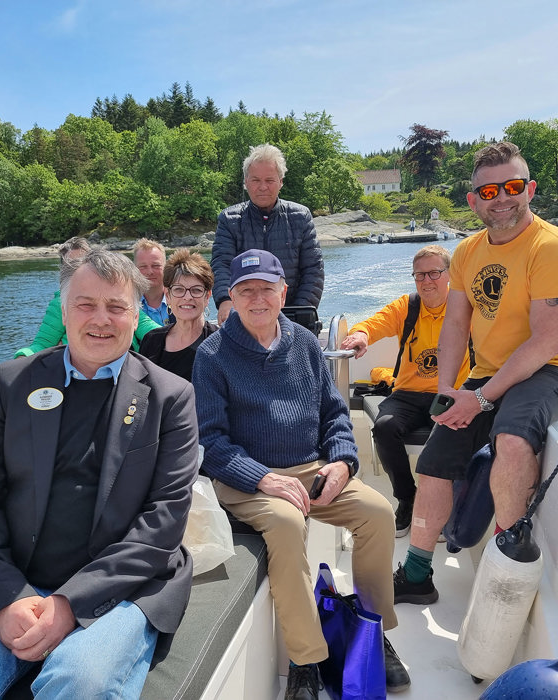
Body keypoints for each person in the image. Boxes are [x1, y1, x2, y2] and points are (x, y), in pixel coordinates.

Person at [0, 248, 199, 699]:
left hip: (122, 588)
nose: (100, 319)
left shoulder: (170, 397)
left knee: (78, 681)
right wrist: (9, 596)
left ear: (136, 315)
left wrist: (70, 602)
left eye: (116, 307)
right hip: (15, 579)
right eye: (85, 304)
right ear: (63, 312)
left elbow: (164, 521)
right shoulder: (10, 384)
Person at [193, 249, 410, 698]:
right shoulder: (212, 355)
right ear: (231, 296)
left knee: (378, 513)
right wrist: (263, 478)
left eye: (266, 289)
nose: (257, 299)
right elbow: (210, 441)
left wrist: (343, 461)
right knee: (289, 524)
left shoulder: (305, 343)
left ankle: (372, 631)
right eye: (246, 290)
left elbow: (334, 413)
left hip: (312, 468)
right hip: (247, 479)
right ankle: (305, 660)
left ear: (283, 292)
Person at [394, 142, 558, 605]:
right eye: (488, 190)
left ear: (530, 189)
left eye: (512, 186)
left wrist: (481, 400)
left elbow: (546, 342)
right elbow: (456, 325)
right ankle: (417, 574)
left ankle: (505, 572)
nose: (501, 197)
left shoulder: (556, 248)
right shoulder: (466, 252)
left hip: (551, 369)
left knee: (513, 439)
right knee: (435, 460)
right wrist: (449, 390)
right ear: (473, 200)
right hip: (487, 370)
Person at [340, 245, 471, 537]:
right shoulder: (407, 307)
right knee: (384, 427)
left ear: (449, 274)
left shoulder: (466, 307)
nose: (426, 281)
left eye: (434, 273)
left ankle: (445, 506)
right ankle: (407, 498)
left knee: (454, 431)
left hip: (450, 393)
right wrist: (361, 334)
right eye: (419, 275)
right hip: (408, 394)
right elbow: (375, 323)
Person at [212, 143, 324, 325]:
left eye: (269, 180)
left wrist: (300, 312)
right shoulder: (229, 219)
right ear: (246, 182)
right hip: (243, 315)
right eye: (256, 180)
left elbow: (313, 270)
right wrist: (225, 300)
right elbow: (221, 265)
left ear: (281, 181)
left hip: (291, 314)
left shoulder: (300, 217)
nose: (262, 187)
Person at [15, 237, 160, 358]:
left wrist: (171, 335)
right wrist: (22, 359)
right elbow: (42, 344)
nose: (81, 268)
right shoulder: (60, 302)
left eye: (86, 262)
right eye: (72, 265)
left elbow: (148, 328)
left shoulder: (119, 295)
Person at [138, 248, 216, 382]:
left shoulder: (221, 343)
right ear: (168, 295)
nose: (187, 297)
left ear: (207, 296)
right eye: (179, 289)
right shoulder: (151, 341)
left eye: (196, 290)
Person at [133, 237, 172, 325]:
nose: (150, 272)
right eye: (143, 267)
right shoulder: (128, 303)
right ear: (135, 269)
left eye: (156, 266)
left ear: (165, 267)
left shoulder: (179, 299)